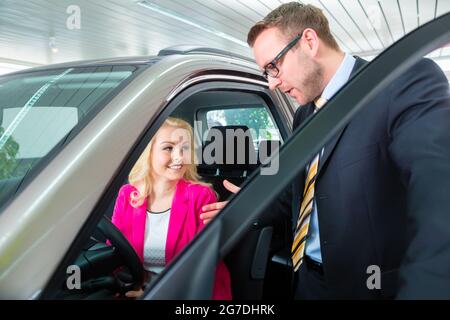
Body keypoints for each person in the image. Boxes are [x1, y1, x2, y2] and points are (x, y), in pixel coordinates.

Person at [201, 2, 450, 299]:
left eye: (273, 66)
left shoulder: (402, 82)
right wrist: (245, 207)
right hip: (307, 281)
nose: (272, 83)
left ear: (309, 41)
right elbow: (297, 193)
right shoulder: (304, 113)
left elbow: (439, 194)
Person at [111, 117, 232, 299]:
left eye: (184, 149)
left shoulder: (200, 196)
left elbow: (201, 263)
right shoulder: (127, 195)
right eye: (168, 148)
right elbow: (113, 253)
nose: (179, 157)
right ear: (149, 152)